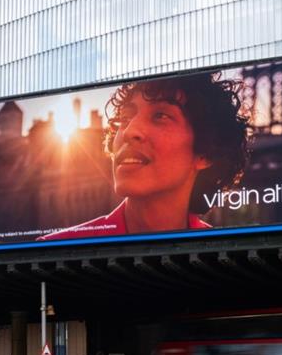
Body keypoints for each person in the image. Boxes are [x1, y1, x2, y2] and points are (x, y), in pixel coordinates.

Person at [40, 73, 249, 240]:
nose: (130, 131)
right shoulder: (52, 254)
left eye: (160, 116)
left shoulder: (223, 258)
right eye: (125, 118)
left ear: (205, 153)